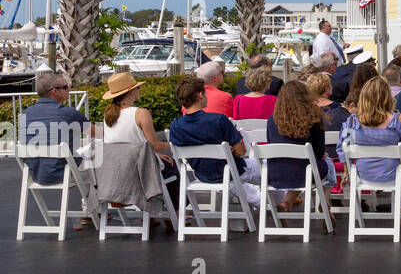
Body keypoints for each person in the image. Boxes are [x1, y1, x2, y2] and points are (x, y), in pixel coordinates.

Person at [169, 75, 259, 205]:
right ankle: (280, 203)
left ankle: (263, 203)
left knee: (245, 188)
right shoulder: (219, 120)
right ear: (200, 95)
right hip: (232, 171)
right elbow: (241, 151)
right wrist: (229, 151)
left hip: (202, 174)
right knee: (269, 169)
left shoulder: (175, 126)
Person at [98, 71, 177, 219]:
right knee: (173, 169)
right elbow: (155, 146)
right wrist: (174, 144)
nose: (139, 90)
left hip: (114, 174)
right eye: (137, 88)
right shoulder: (141, 113)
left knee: (163, 163)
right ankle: (174, 215)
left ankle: (152, 217)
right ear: (130, 92)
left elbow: (124, 146)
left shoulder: (108, 115)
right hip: (138, 173)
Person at [265, 78, 333, 211]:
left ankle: (287, 203)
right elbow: (319, 151)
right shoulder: (313, 118)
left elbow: (270, 143)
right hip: (305, 172)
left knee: (299, 167)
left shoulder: (272, 120)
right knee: (327, 163)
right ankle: (325, 205)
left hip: (276, 173)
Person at [338, 77, 401, 186]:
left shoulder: (352, 121)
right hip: (394, 174)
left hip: (362, 174)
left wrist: (347, 170)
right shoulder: (398, 120)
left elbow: (343, 148)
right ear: (387, 97)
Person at [19, 72, 90, 186]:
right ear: (54, 91)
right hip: (63, 174)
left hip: (36, 176)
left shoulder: (25, 114)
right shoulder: (68, 113)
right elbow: (98, 133)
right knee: (97, 152)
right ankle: (91, 202)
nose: (69, 90)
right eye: (65, 87)